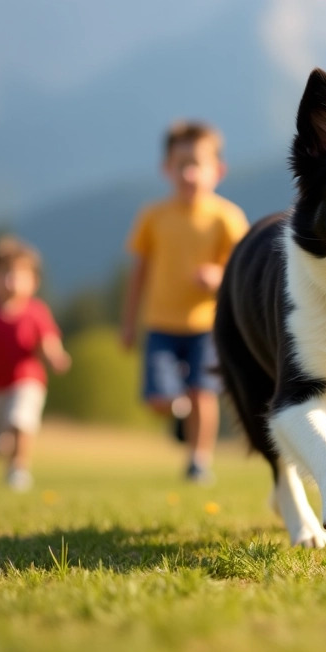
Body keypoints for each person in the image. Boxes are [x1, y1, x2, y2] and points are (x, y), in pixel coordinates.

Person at [121, 120, 248, 484]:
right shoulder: (153, 217)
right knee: (158, 401)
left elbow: (242, 272)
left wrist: (218, 277)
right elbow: (138, 274)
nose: (189, 173)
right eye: (181, 165)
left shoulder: (227, 218)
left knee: (203, 394)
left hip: (207, 326)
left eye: (198, 165)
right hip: (161, 325)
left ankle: (198, 460)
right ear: (166, 169)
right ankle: (177, 413)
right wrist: (128, 324)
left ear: (218, 171)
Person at [0, 236, 70, 491]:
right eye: (4, 274)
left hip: (26, 380)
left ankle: (19, 468)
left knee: (21, 418)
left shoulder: (36, 312)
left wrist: (56, 356)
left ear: (34, 281)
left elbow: (49, 339)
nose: (11, 282)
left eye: (19, 275)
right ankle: (6, 454)